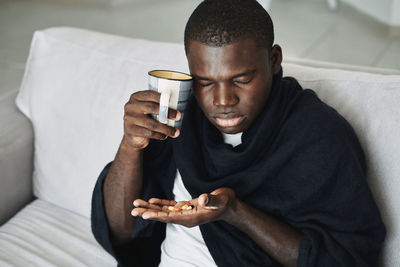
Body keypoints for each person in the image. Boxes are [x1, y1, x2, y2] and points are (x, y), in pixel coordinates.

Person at [91, 0, 386, 266]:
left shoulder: (317, 134)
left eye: (241, 79)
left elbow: (347, 257)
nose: (222, 101)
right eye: (205, 82)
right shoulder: (182, 119)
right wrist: (130, 145)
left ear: (273, 61)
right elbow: (123, 231)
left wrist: (234, 212)